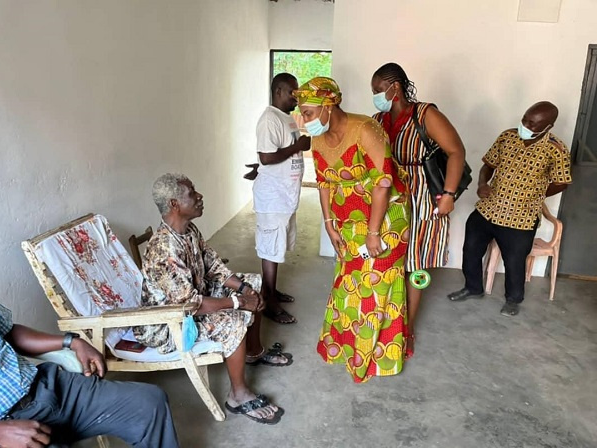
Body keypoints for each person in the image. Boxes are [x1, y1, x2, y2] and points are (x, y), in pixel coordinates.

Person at [134, 173, 290, 425]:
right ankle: (238, 395)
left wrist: (244, 288)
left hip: (194, 299)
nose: (199, 196)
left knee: (255, 283)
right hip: (165, 324)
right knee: (233, 319)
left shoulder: (189, 230)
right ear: (174, 204)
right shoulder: (164, 249)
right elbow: (190, 304)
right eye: (192, 193)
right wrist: (240, 303)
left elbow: (212, 266)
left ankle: (252, 352)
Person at [294, 77, 410, 383]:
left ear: (329, 105)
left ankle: (375, 359)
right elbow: (324, 183)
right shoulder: (318, 139)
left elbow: (384, 183)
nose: (303, 119)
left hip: (385, 219)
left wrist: (373, 234)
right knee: (347, 280)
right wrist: (329, 224)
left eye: (307, 112)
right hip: (348, 221)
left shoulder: (365, 130)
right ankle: (346, 348)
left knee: (374, 284)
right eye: (301, 113)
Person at [371, 63, 466, 358]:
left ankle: (407, 327)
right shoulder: (378, 119)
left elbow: (456, 151)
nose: (375, 96)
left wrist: (448, 194)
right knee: (389, 259)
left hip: (423, 197)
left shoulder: (426, 115)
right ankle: (385, 318)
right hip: (390, 199)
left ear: (394, 88)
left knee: (417, 263)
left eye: (377, 90)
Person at [448, 101, 572, 316]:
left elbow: (561, 182)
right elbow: (488, 165)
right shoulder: (507, 136)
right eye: (525, 119)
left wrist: (535, 194)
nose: (526, 125)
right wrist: (481, 184)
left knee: (514, 261)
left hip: (521, 217)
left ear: (548, 126)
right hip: (489, 208)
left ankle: (513, 300)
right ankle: (473, 287)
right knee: (471, 249)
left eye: (533, 124)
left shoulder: (556, 150)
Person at [0, 302, 179, 447]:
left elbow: (8, 332)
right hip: (6, 425)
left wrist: (71, 342)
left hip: (46, 387)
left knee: (148, 403)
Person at [252, 72, 311, 324]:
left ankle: (271, 290)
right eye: (292, 92)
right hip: (273, 198)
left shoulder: (285, 118)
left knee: (279, 246)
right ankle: (269, 303)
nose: (295, 97)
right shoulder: (269, 119)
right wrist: (299, 147)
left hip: (285, 196)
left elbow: (270, 158)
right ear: (278, 91)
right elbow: (266, 157)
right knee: (271, 249)